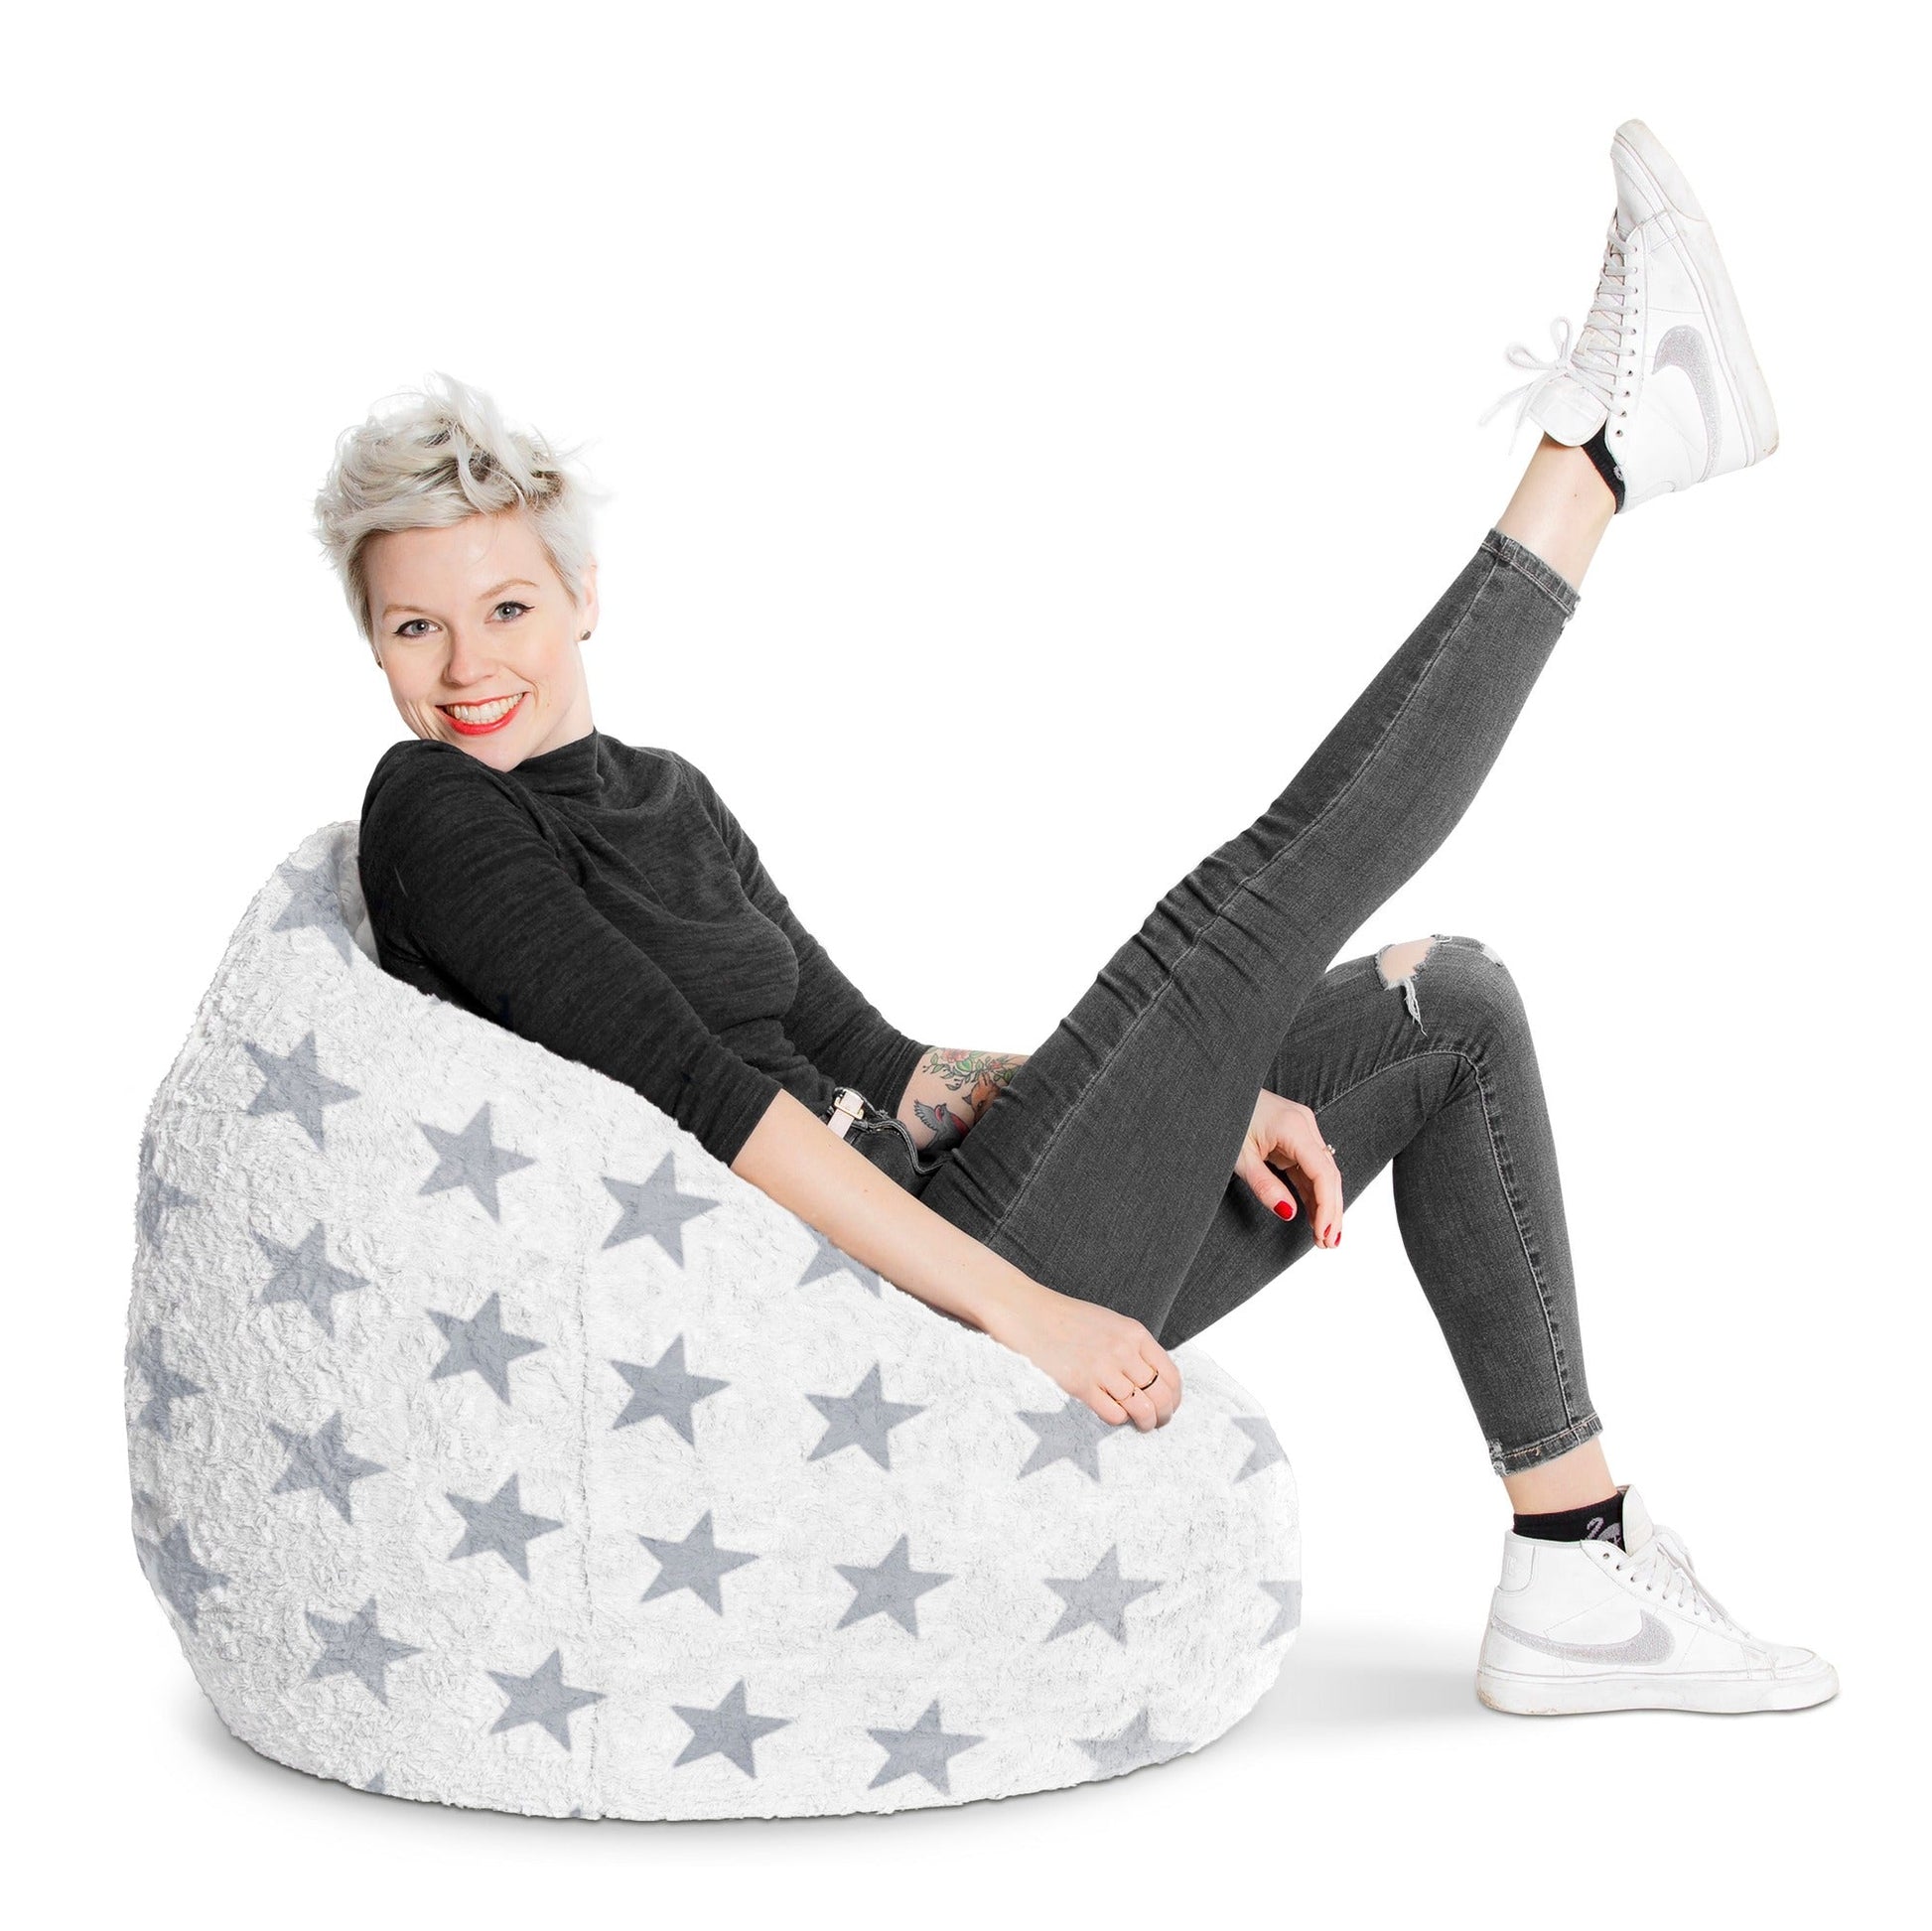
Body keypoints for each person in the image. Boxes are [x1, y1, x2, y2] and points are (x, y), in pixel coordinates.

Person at [318, 120, 1835, 1718]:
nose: (466, 667)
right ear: (371, 639)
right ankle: (1593, 461)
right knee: (1241, 912)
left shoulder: (665, 794)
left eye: (505, 607)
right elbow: (706, 1103)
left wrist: (1204, 1090)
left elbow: (882, 1065)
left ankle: (1574, 1551)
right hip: (887, 1313)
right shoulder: (438, 814)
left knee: (1440, 1005)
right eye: (414, 626)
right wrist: (1025, 1313)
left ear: (581, 597)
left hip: (954, 1220)